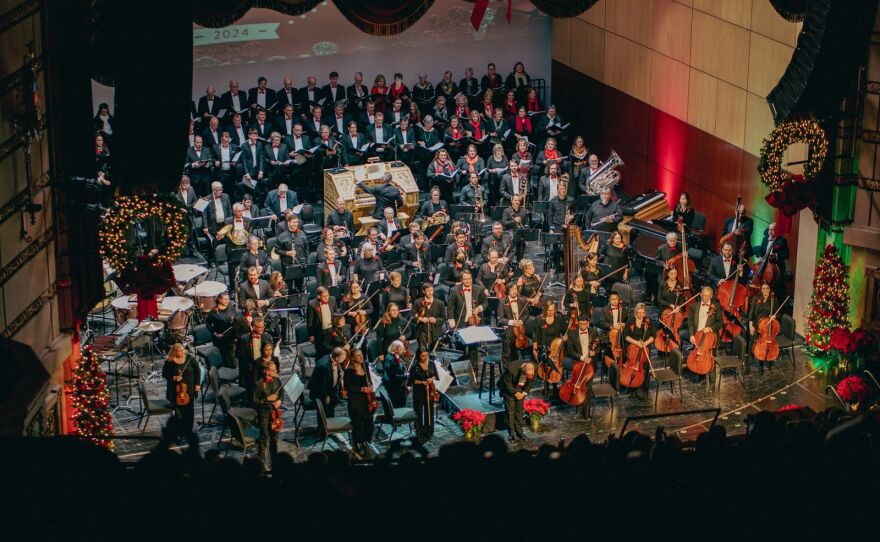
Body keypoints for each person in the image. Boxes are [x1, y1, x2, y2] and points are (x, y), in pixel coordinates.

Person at [447, 271, 488, 371]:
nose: (468, 281)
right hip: (461, 322)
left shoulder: (479, 289)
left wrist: (479, 308)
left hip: (475, 321)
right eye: (465, 279)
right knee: (460, 347)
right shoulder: (454, 290)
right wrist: (451, 321)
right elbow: (450, 307)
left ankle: (473, 370)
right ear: (461, 280)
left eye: (469, 278)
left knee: (473, 347)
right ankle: (461, 370)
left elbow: (485, 302)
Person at [162, 343, 199, 439]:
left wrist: (197, 385)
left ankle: (188, 431)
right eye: (180, 351)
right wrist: (174, 377)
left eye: (183, 350)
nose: (182, 352)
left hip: (189, 391)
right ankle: (179, 432)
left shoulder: (189, 359)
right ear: (174, 352)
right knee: (179, 414)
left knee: (189, 412)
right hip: (175, 393)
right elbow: (164, 374)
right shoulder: (169, 362)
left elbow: (197, 370)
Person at [565, 315, 599, 418]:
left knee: (587, 388)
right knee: (578, 386)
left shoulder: (593, 332)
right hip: (578, 364)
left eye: (584, 324)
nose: (583, 326)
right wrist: (581, 357)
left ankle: (586, 412)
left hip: (590, 364)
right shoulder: (572, 333)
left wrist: (594, 353)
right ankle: (579, 407)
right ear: (578, 323)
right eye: (581, 324)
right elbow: (570, 351)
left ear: (588, 323)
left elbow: (598, 346)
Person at [687, 286, 724, 382]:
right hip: (697, 336)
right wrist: (691, 335)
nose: (706, 298)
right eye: (704, 296)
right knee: (699, 357)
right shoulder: (694, 306)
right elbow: (690, 322)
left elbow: (720, 323)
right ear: (700, 295)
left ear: (711, 296)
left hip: (710, 338)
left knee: (710, 359)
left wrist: (710, 328)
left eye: (708, 296)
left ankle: (712, 382)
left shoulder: (716, 306)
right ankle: (701, 378)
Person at [343, 348, 374, 456]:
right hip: (355, 401)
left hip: (367, 399)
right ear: (352, 358)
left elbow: (369, 380)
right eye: (358, 355)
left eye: (361, 355)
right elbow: (348, 387)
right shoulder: (349, 371)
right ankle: (357, 443)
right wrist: (361, 389)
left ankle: (365, 440)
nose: (361, 357)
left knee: (368, 421)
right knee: (358, 423)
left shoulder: (365, 365)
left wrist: (370, 386)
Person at [253, 360, 283, 469]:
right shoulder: (259, 384)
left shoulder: (277, 381)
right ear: (266, 371)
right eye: (274, 370)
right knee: (264, 437)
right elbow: (254, 402)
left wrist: (279, 401)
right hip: (264, 414)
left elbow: (281, 394)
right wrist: (267, 398)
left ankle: (274, 460)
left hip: (275, 414)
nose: (276, 371)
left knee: (274, 437)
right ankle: (261, 461)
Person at [533, 301, 567, 395]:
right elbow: (535, 334)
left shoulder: (559, 318)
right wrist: (534, 348)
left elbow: (565, 331)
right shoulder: (539, 319)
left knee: (555, 365)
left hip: (556, 347)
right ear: (545, 310)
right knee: (545, 367)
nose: (551, 312)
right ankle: (546, 386)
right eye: (549, 310)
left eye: (553, 310)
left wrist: (565, 337)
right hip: (543, 347)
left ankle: (555, 385)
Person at [623, 302, 655, 399]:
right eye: (639, 312)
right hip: (633, 347)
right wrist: (636, 343)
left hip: (645, 348)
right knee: (633, 368)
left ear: (645, 312)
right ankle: (634, 388)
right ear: (636, 312)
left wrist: (645, 343)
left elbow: (653, 336)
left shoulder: (648, 321)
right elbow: (626, 336)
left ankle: (644, 390)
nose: (641, 314)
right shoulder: (630, 320)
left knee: (644, 368)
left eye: (643, 312)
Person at [236, 317, 272, 405]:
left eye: (263, 326)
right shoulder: (243, 339)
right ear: (253, 327)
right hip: (250, 369)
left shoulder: (267, 337)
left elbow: (271, 354)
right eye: (259, 327)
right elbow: (240, 357)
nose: (262, 328)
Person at [407, 350, 439, 443]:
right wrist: (422, 382)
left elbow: (435, 376)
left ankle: (429, 430)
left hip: (429, 391)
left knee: (430, 411)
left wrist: (431, 379)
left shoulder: (431, 363)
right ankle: (419, 431)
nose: (425, 358)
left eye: (426, 356)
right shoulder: (415, 366)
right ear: (418, 356)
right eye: (422, 356)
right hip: (419, 391)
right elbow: (411, 381)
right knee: (419, 411)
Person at [500, 360, 536, 443]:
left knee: (519, 411)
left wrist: (523, 393)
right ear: (523, 371)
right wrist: (516, 393)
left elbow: (531, 382)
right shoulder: (512, 369)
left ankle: (520, 433)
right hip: (509, 389)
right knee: (510, 411)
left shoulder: (534, 366)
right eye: (527, 374)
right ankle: (511, 434)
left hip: (521, 390)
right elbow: (507, 384)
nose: (530, 376)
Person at [749, 283, 779, 372]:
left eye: (767, 288)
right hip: (755, 324)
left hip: (766, 326)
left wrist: (775, 316)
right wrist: (750, 326)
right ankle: (751, 361)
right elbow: (750, 313)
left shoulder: (773, 300)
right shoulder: (756, 299)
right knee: (752, 342)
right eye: (763, 288)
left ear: (770, 290)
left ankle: (767, 358)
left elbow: (778, 313)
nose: (765, 290)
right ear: (761, 290)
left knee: (768, 342)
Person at [309, 347, 345, 418]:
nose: (344, 358)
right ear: (337, 358)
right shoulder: (324, 366)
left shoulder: (333, 358)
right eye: (343, 357)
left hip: (329, 389)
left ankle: (330, 423)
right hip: (321, 393)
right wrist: (325, 396)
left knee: (330, 412)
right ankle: (323, 428)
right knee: (324, 414)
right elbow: (320, 385)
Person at [206, 292, 236, 367]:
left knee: (232, 356)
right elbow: (208, 323)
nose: (228, 301)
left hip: (230, 336)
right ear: (220, 300)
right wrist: (215, 333)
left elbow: (235, 318)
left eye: (228, 299)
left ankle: (233, 372)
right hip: (220, 338)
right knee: (223, 357)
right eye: (225, 299)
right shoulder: (214, 311)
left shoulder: (231, 307)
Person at [307, 286, 337, 359]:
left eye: (327, 295)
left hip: (331, 330)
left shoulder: (332, 299)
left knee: (332, 351)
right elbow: (310, 321)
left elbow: (336, 314)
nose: (327, 298)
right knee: (320, 353)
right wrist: (311, 335)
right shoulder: (312, 304)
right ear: (318, 296)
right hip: (320, 332)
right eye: (324, 296)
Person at [415, 283, 445, 351]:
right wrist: (420, 318)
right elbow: (411, 316)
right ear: (423, 291)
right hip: (422, 333)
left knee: (434, 354)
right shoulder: (418, 302)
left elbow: (443, 318)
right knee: (423, 354)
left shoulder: (440, 303)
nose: (430, 292)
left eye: (431, 290)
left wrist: (436, 320)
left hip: (435, 333)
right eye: (428, 290)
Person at [383, 340, 409, 408]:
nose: (403, 350)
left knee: (402, 403)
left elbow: (401, 366)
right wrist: (405, 376)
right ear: (395, 348)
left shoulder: (397, 356)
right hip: (393, 386)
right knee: (396, 405)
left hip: (399, 385)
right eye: (401, 348)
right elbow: (392, 376)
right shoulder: (390, 358)